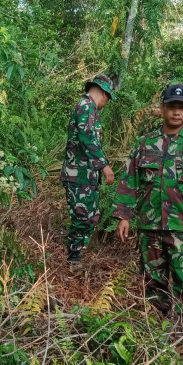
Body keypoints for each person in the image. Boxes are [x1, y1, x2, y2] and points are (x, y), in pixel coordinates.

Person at [112, 83, 183, 319]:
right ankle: (157, 333)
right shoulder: (144, 144)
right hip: (149, 226)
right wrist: (123, 216)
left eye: (181, 108)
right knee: (153, 283)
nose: (176, 112)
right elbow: (129, 180)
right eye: (171, 107)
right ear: (162, 108)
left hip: (182, 228)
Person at [60, 74, 116, 262]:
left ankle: (80, 254)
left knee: (92, 216)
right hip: (78, 176)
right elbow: (87, 140)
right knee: (81, 217)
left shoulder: (91, 110)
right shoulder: (85, 107)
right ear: (102, 92)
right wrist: (105, 166)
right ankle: (73, 258)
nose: (106, 103)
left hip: (88, 176)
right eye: (108, 98)